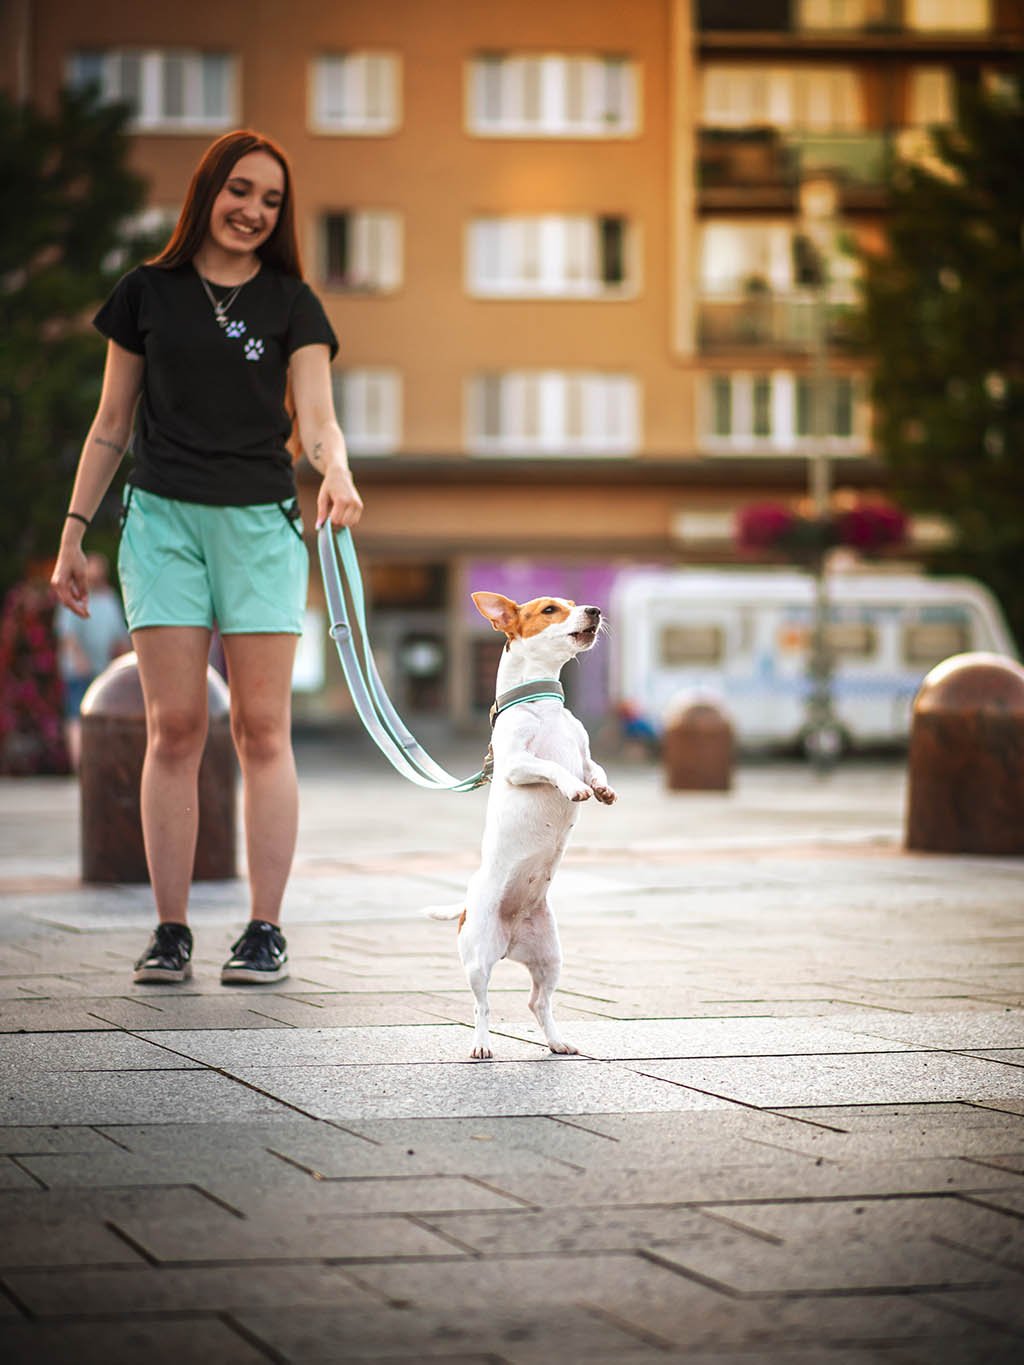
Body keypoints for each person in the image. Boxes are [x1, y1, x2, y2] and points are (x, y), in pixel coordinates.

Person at [50, 130, 363, 986]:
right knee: (176, 727)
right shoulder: (145, 294)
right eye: (241, 191)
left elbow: (319, 416)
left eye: (271, 201)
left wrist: (335, 470)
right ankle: (171, 927)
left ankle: (264, 927)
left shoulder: (295, 303)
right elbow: (112, 422)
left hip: (261, 526)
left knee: (264, 730)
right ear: (207, 192)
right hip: (162, 525)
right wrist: (75, 531)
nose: (254, 211)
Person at [54, 553, 130, 770]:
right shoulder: (75, 594)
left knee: (101, 716)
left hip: (102, 669)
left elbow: (120, 637)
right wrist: (79, 659)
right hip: (78, 670)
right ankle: (80, 766)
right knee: (76, 716)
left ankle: (98, 764)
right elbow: (67, 636)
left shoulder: (109, 599)